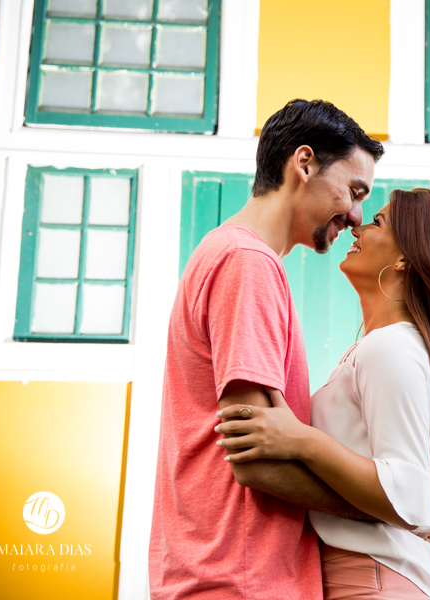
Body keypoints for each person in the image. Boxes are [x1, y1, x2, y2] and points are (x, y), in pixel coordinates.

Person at [149, 99, 385, 600]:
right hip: (238, 581)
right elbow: (255, 459)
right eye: (354, 190)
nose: (358, 215)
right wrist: (385, 508)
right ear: (303, 164)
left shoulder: (235, 256)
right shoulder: (246, 263)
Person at [215, 188, 430, 600]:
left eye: (378, 222)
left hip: (371, 580)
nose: (358, 224)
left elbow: (407, 492)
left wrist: (301, 440)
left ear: (403, 261)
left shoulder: (391, 346)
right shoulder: (381, 347)